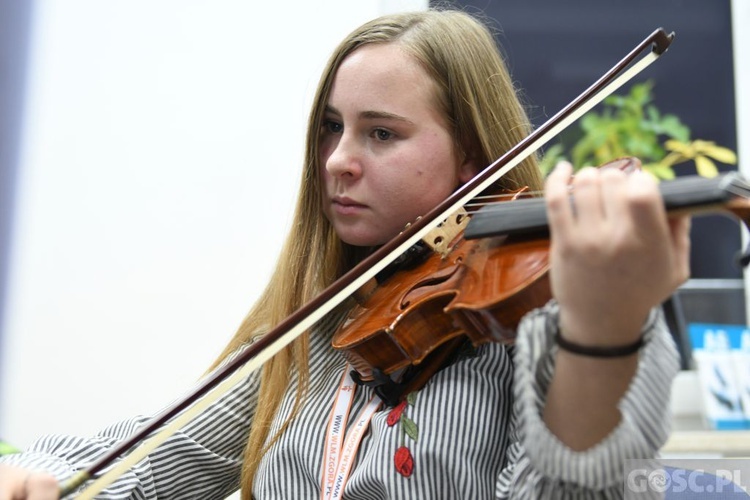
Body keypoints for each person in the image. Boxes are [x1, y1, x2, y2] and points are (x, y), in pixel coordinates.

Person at [0, 8, 689, 499]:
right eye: (333, 129)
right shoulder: (332, 324)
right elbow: (157, 462)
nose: (337, 161)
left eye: (381, 134)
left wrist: (600, 332)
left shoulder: (532, 317)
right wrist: (44, 472)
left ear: (473, 155)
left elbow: (572, 490)